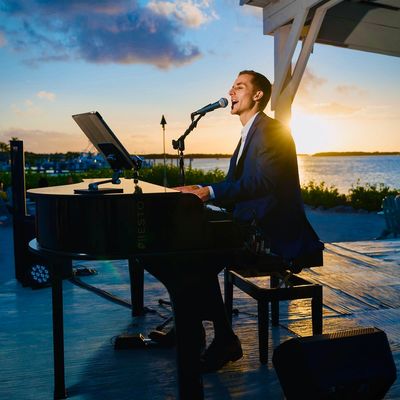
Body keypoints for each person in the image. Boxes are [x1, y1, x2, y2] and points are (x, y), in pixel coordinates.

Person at [148, 70, 322, 376]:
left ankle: (216, 335)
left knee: (197, 254)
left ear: (257, 95)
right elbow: (236, 186)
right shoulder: (249, 133)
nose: (231, 91)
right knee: (191, 250)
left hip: (273, 231)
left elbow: (264, 182)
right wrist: (199, 189)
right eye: (231, 86)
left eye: (239, 86)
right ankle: (203, 330)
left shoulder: (271, 130)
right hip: (253, 222)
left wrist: (210, 192)